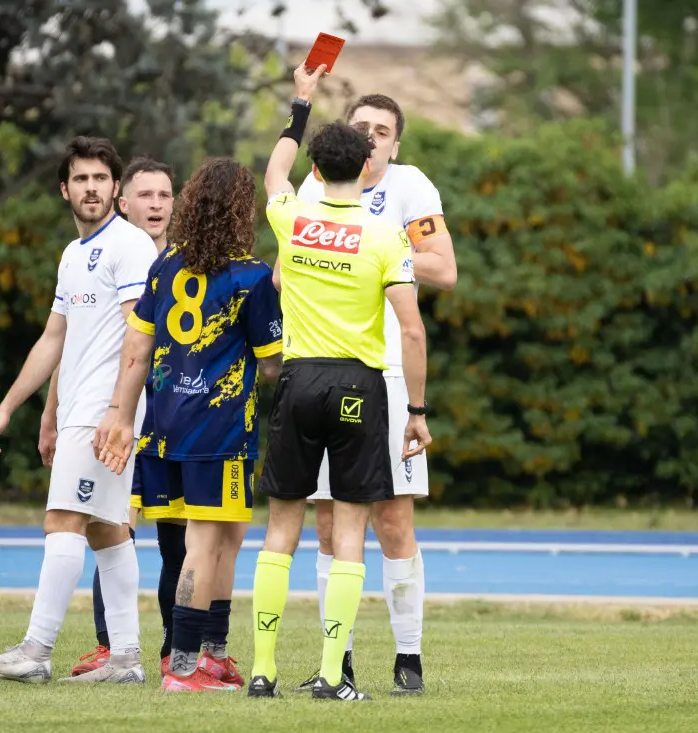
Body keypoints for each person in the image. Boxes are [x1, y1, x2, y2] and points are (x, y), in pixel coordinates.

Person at [246, 63, 432, 702]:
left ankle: (264, 671)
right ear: (366, 165)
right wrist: (420, 408)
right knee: (351, 533)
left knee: (281, 532)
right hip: (360, 385)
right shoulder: (385, 234)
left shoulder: (292, 218)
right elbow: (411, 330)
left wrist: (300, 103)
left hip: (296, 382)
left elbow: (274, 172)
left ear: (318, 169)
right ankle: (332, 675)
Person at [0, 136, 157, 684]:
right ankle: (124, 661)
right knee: (107, 531)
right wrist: (14, 410)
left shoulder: (130, 244)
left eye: (101, 179)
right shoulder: (73, 255)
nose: (91, 188)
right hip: (80, 409)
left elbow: (140, 335)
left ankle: (35, 651)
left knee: (62, 521)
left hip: (104, 412)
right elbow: (55, 338)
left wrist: (119, 411)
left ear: (116, 189)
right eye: (81, 179)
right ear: (64, 189)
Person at [97, 155, 284, 693]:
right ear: (240, 210)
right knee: (207, 544)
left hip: (165, 429)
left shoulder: (167, 264)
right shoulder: (250, 277)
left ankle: (213, 654)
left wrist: (121, 415)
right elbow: (271, 363)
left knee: (224, 537)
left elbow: (137, 345)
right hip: (218, 431)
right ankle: (182, 667)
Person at [293, 92, 457, 696]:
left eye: (381, 131)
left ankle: (408, 659)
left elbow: (444, 269)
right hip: (321, 370)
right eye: (360, 128)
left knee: (392, 518)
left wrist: (372, 245)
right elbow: (287, 268)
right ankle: (341, 659)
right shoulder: (316, 186)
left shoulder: (411, 188)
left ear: (395, 143)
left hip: (386, 371)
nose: (370, 138)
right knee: (329, 522)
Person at [60, 157, 206, 680]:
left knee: (178, 539)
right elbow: (75, 341)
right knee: (111, 526)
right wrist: (55, 410)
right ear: (124, 203)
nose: (156, 205)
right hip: (119, 418)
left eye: (165, 196)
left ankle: (174, 648)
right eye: (145, 195)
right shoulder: (115, 256)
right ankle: (110, 647)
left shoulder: (193, 265)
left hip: (173, 421)